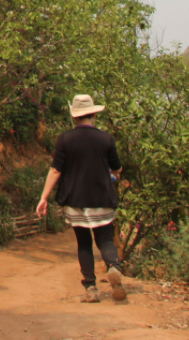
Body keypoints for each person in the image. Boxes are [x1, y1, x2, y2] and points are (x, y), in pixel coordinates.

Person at [36, 94, 127, 303]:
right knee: (104, 237)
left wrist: (44, 197)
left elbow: (56, 171)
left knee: (84, 242)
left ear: (75, 117)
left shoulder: (65, 139)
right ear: (94, 113)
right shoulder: (106, 139)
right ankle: (113, 266)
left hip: (76, 200)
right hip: (102, 198)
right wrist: (116, 174)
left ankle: (91, 287)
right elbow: (117, 168)